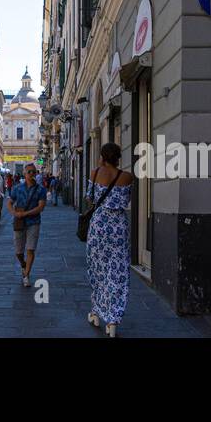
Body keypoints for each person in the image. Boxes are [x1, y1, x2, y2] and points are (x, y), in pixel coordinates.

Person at [85, 143, 133, 337]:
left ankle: (96, 312)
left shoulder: (94, 173)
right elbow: (126, 201)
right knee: (118, 270)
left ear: (102, 156)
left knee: (98, 270)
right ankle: (112, 319)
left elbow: (89, 198)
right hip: (119, 226)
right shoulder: (128, 177)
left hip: (99, 226)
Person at [7, 164, 47, 288]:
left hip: (34, 222)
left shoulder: (41, 189)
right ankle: (24, 264)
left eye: (33, 172)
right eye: (29, 172)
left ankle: (26, 275)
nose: (31, 174)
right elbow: (9, 202)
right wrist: (14, 213)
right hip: (19, 222)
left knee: (30, 249)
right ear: (24, 173)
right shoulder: (18, 188)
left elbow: (41, 207)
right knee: (18, 252)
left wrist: (26, 213)